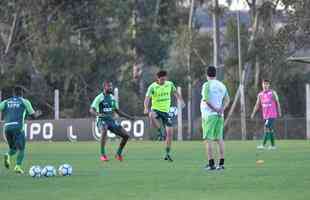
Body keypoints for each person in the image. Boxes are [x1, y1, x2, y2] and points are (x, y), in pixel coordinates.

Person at [144, 70, 185, 162]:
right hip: (156, 109)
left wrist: (181, 101)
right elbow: (147, 98)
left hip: (166, 112)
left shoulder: (169, 84)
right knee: (151, 115)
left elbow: (175, 93)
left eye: (164, 79)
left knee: (170, 133)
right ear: (157, 79)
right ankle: (160, 131)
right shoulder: (152, 87)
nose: (163, 81)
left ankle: (167, 153)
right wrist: (146, 107)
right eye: (161, 79)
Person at [90, 81, 134, 162]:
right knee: (104, 129)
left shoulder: (112, 98)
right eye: (109, 86)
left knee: (126, 136)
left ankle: (118, 154)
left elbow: (117, 111)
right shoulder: (99, 97)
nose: (111, 88)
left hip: (111, 121)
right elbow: (91, 110)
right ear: (104, 87)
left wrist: (129, 117)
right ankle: (103, 155)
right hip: (102, 120)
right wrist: (98, 114)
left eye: (111, 86)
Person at [1, 87, 41, 174]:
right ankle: (17, 167)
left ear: (13, 94)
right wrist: (39, 113)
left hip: (7, 128)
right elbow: (33, 116)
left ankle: (7, 155)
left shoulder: (6, 102)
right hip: (18, 127)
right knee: (21, 148)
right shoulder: (24, 101)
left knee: (13, 148)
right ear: (22, 94)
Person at [201, 66, 230, 171]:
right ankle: (221, 164)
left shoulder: (206, 85)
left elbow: (206, 100)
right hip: (220, 116)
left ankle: (211, 164)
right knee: (219, 139)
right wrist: (222, 109)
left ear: (207, 75)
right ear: (215, 74)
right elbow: (227, 99)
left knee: (208, 140)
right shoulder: (221, 85)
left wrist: (215, 109)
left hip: (209, 116)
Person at [251, 79, 281, 150]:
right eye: (264, 84)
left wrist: (279, 111)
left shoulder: (272, 93)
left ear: (269, 85)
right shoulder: (260, 95)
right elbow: (257, 105)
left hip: (272, 115)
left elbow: (277, 102)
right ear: (262, 85)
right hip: (265, 116)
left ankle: (263, 145)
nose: (265, 85)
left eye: (267, 84)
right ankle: (273, 146)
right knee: (270, 130)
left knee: (266, 127)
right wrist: (253, 113)